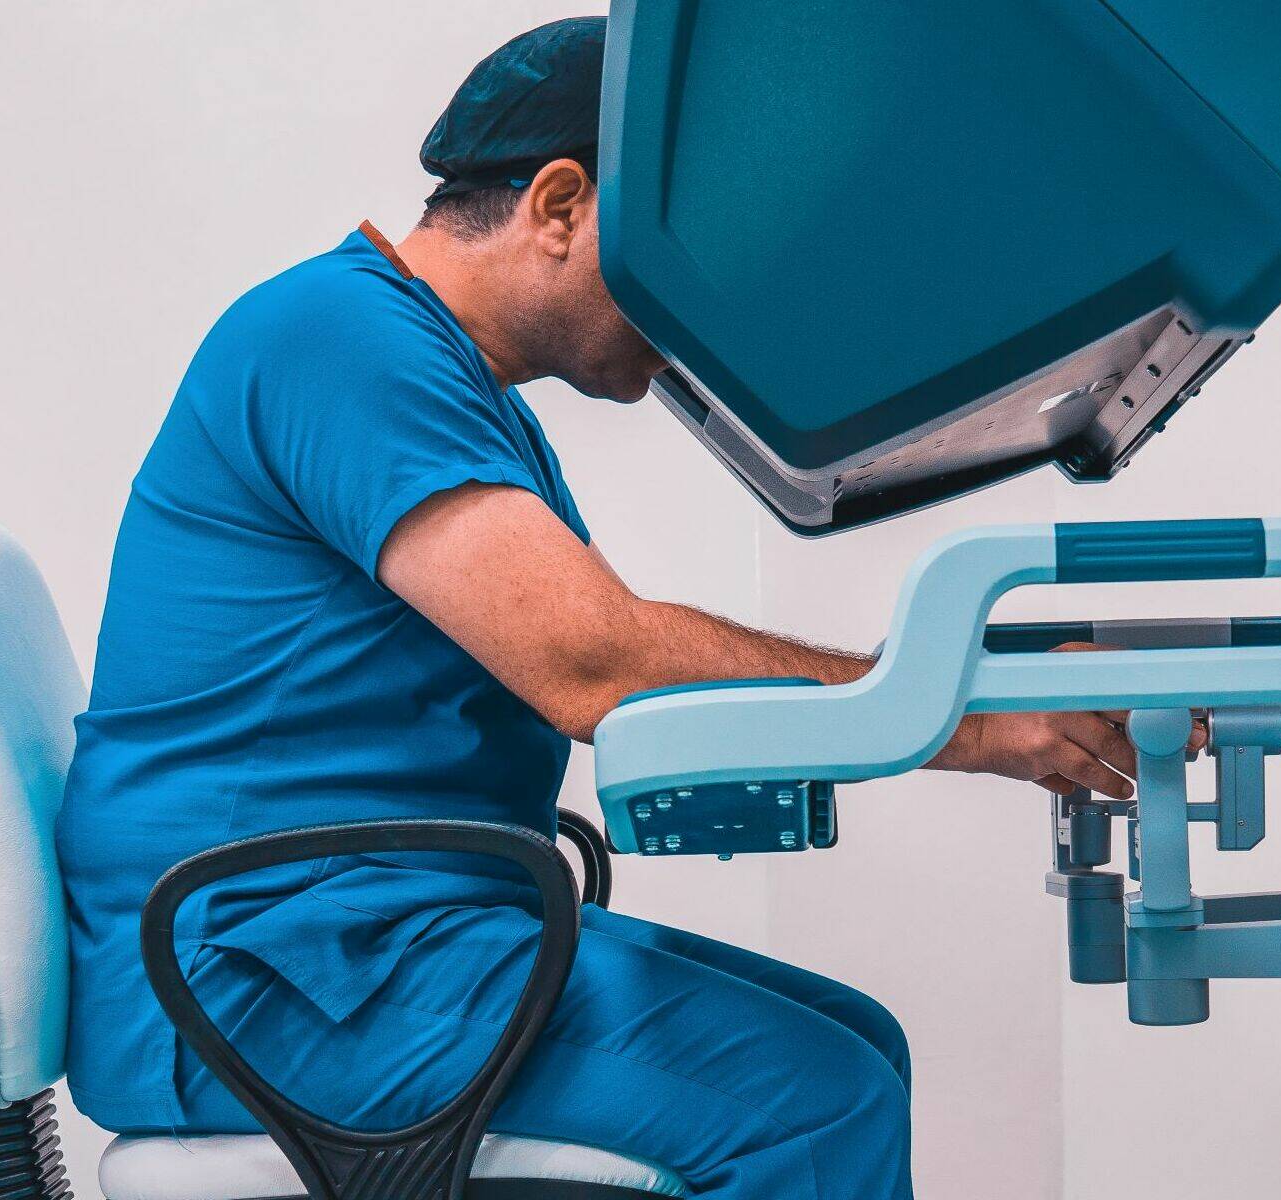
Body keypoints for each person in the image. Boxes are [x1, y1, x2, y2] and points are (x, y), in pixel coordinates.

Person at [57, 18, 1159, 1200]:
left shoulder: (449, 387)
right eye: (689, 260)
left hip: (364, 942)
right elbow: (593, 662)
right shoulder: (340, 338)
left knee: (856, 1048)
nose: (706, 313)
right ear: (561, 204)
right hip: (261, 974)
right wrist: (972, 717)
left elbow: (606, 666)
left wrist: (956, 684)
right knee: (815, 1105)